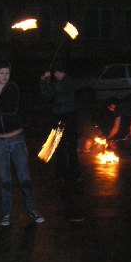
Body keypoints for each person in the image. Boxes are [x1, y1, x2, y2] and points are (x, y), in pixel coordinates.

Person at [0, 60, 44, 227]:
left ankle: (32, 210)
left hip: (16, 139)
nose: (5, 76)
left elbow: (10, 108)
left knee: (24, 178)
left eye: (7, 73)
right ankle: (7, 213)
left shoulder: (12, 88)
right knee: (4, 180)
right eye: (1, 73)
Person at [40, 67, 84, 221]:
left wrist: (50, 82)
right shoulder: (52, 82)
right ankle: (60, 173)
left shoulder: (69, 81)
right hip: (57, 115)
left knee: (71, 146)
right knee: (58, 145)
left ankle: (75, 173)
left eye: (60, 72)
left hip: (69, 115)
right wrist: (44, 82)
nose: (58, 75)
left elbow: (60, 95)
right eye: (56, 73)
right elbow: (47, 96)